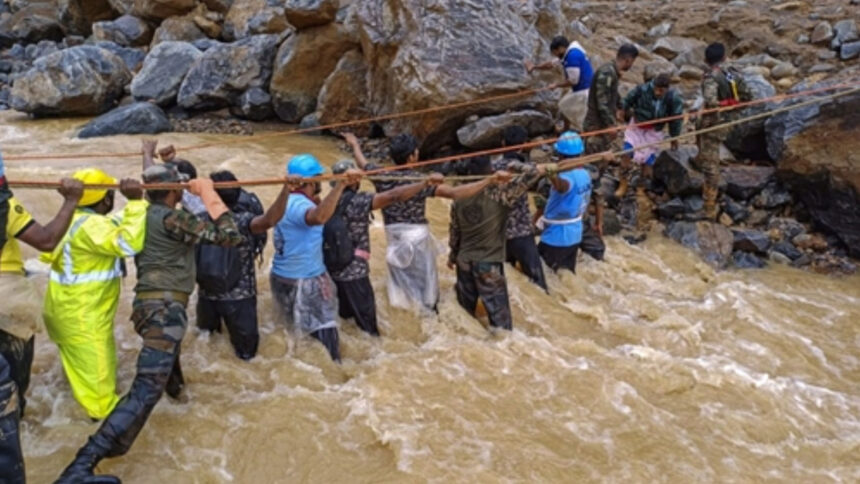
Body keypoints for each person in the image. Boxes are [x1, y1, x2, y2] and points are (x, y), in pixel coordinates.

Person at [56, 164, 242, 483]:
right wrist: (209, 194)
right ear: (173, 191)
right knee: (145, 389)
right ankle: (81, 465)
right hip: (165, 311)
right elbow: (230, 236)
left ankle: (180, 399)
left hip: (147, 308)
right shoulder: (173, 217)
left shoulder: (140, 213)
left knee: (167, 369)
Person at [342, 132, 500, 313]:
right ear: (412, 156)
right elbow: (456, 193)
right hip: (418, 241)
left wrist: (355, 144)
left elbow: (362, 164)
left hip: (394, 239)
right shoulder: (420, 181)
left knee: (401, 288)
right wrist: (489, 180)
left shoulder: (382, 175)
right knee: (426, 291)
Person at [41, 169, 147, 421]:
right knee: (101, 402)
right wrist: (135, 202)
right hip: (84, 320)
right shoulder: (92, 227)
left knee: (83, 373)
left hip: (64, 313)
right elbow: (128, 244)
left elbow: (108, 226)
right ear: (106, 200)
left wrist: (138, 207)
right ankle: (100, 434)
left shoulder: (68, 220)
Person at [0, 167, 83, 484]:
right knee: (11, 393)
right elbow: (47, 240)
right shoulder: (4, 206)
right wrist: (71, 201)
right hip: (9, 304)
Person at [326, 161, 450, 336]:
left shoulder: (326, 202)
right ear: (354, 181)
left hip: (333, 272)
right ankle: (372, 359)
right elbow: (393, 196)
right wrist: (424, 183)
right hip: (355, 274)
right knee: (368, 329)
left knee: (346, 322)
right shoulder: (359, 201)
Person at [196, 171, 298, 361]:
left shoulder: (197, 220)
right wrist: (286, 190)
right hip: (239, 298)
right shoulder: (242, 221)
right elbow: (269, 220)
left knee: (206, 346)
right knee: (247, 356)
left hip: (206, 296)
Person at [270, 155, 360, 362]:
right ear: (311, 181)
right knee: (324, 334)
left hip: (281, 277)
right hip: (306, 280)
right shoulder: (300, 205)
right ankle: (334, 372)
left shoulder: (285, 201)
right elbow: (318, 217)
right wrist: (340, 185)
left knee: (293, 334)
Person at [448, 157, 550, 330]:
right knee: (501, 326)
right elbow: (534, 173)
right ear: (490, 171)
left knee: (464, 316)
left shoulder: (459, 197)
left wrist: (452, 256)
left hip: (463, 261)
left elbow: (455, 232)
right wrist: (514, 165)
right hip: (488, 263)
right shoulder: (501, 194)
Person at [620, 74, 685, 231]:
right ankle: (623, 183)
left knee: (648, 160)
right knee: (626, 152)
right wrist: (622, 112)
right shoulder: (642, 90)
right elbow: (627, 100)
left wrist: (674, 137)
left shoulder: (672, 98)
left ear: (666, 89)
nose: (657, 93)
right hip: (637, 126)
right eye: (656, 89)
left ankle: (642, 187)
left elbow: (676, 119)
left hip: (654, 132)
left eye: (661, 91)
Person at [696, 42, 749, 221]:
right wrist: (733, 106)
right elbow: (748, 97)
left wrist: (722, 105)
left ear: (706, 60)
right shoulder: (734, 73)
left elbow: (710, 101)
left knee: (711, 165)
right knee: (697, 126)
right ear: (724, 57)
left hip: (714, 123)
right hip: (729, 120)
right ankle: (699, 157)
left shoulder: (711, 77)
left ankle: (709, 206)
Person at [492, 126, 547, 291]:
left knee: (506, 281)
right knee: (538, 283)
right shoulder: (528, 169)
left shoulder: (492, 168)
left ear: (503, 143)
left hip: (499, 233)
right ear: (523, 145)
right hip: (521, 232)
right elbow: (542, 172)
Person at [536, 143, 594, 274]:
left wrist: (552, 175)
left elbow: (562, 187)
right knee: (565, 273)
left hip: (557, 237)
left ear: (560, 155)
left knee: (546, 277)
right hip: (574, 234)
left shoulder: (566, 178)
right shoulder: (585, 173)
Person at [526, 35, 594, 131]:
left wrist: (556, 85)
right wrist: (535, 67)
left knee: (579, 115)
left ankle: (583, 136)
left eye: (555, 52)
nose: (555, 55)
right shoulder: (570, 51)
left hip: (584, 90)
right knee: (565, 106)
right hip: (583, 86)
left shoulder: (572, 58)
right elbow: (551, 64)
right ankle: (566, 129)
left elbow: (573, 81)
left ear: (561, 48)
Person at [583, 43, 640, 156]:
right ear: (628, 60)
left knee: (603, 156)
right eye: (632, 61)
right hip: (596, 124)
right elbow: (602, 102)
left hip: (602, 123)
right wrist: (610, 124)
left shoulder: (612, 72)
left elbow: (613, 94)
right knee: (594, 159)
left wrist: (621, 107)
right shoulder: (607, 72)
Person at [142, 140, 206, 217]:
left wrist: (147, 153)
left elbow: (152, 174)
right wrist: (169, 159)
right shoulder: (196, 186)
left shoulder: (184, 189)